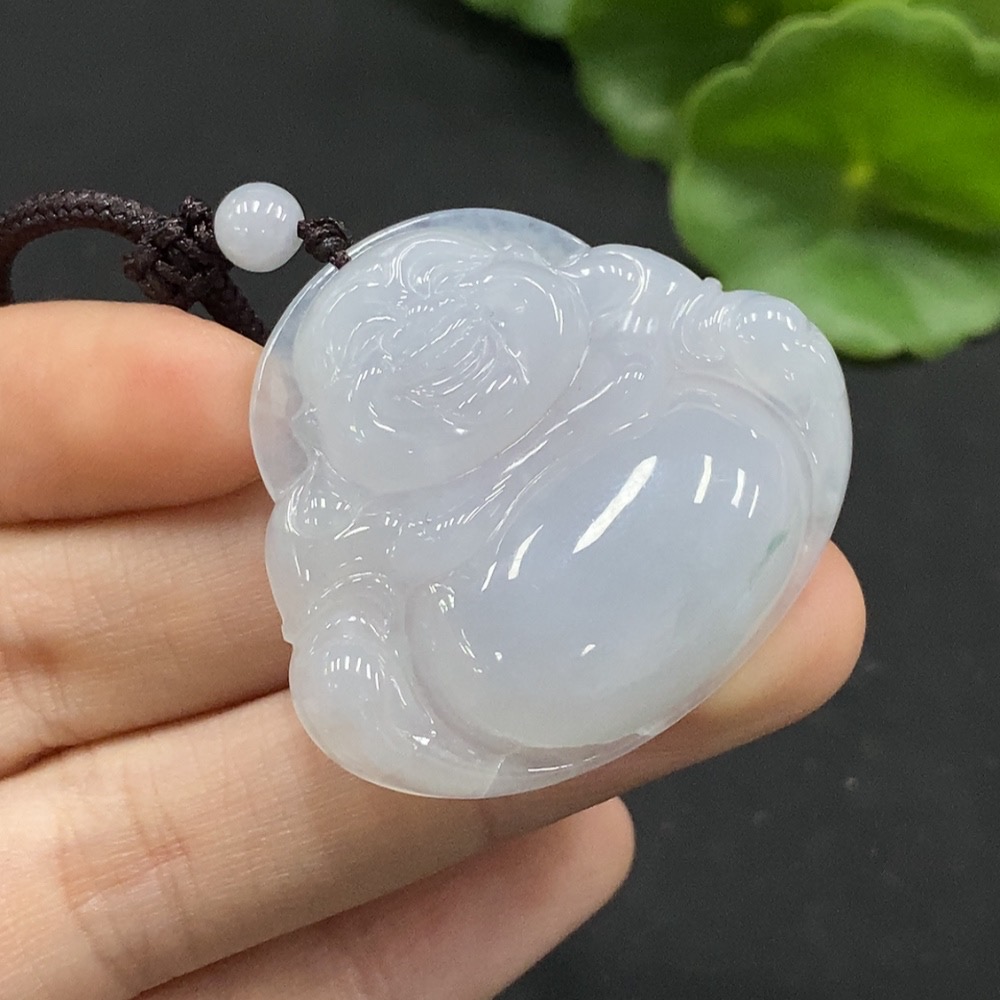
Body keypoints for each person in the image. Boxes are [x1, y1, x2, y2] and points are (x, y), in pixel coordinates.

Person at [0, 301, 865, 1000]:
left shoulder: (619, 323)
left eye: (467, 314)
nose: (447, 356)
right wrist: (353, 673)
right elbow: (342, 620)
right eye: (377, 364)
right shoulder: (342, 512)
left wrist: (745, 343)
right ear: (336, 423)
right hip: (506, 646)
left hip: (699, 473)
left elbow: (701, 326)